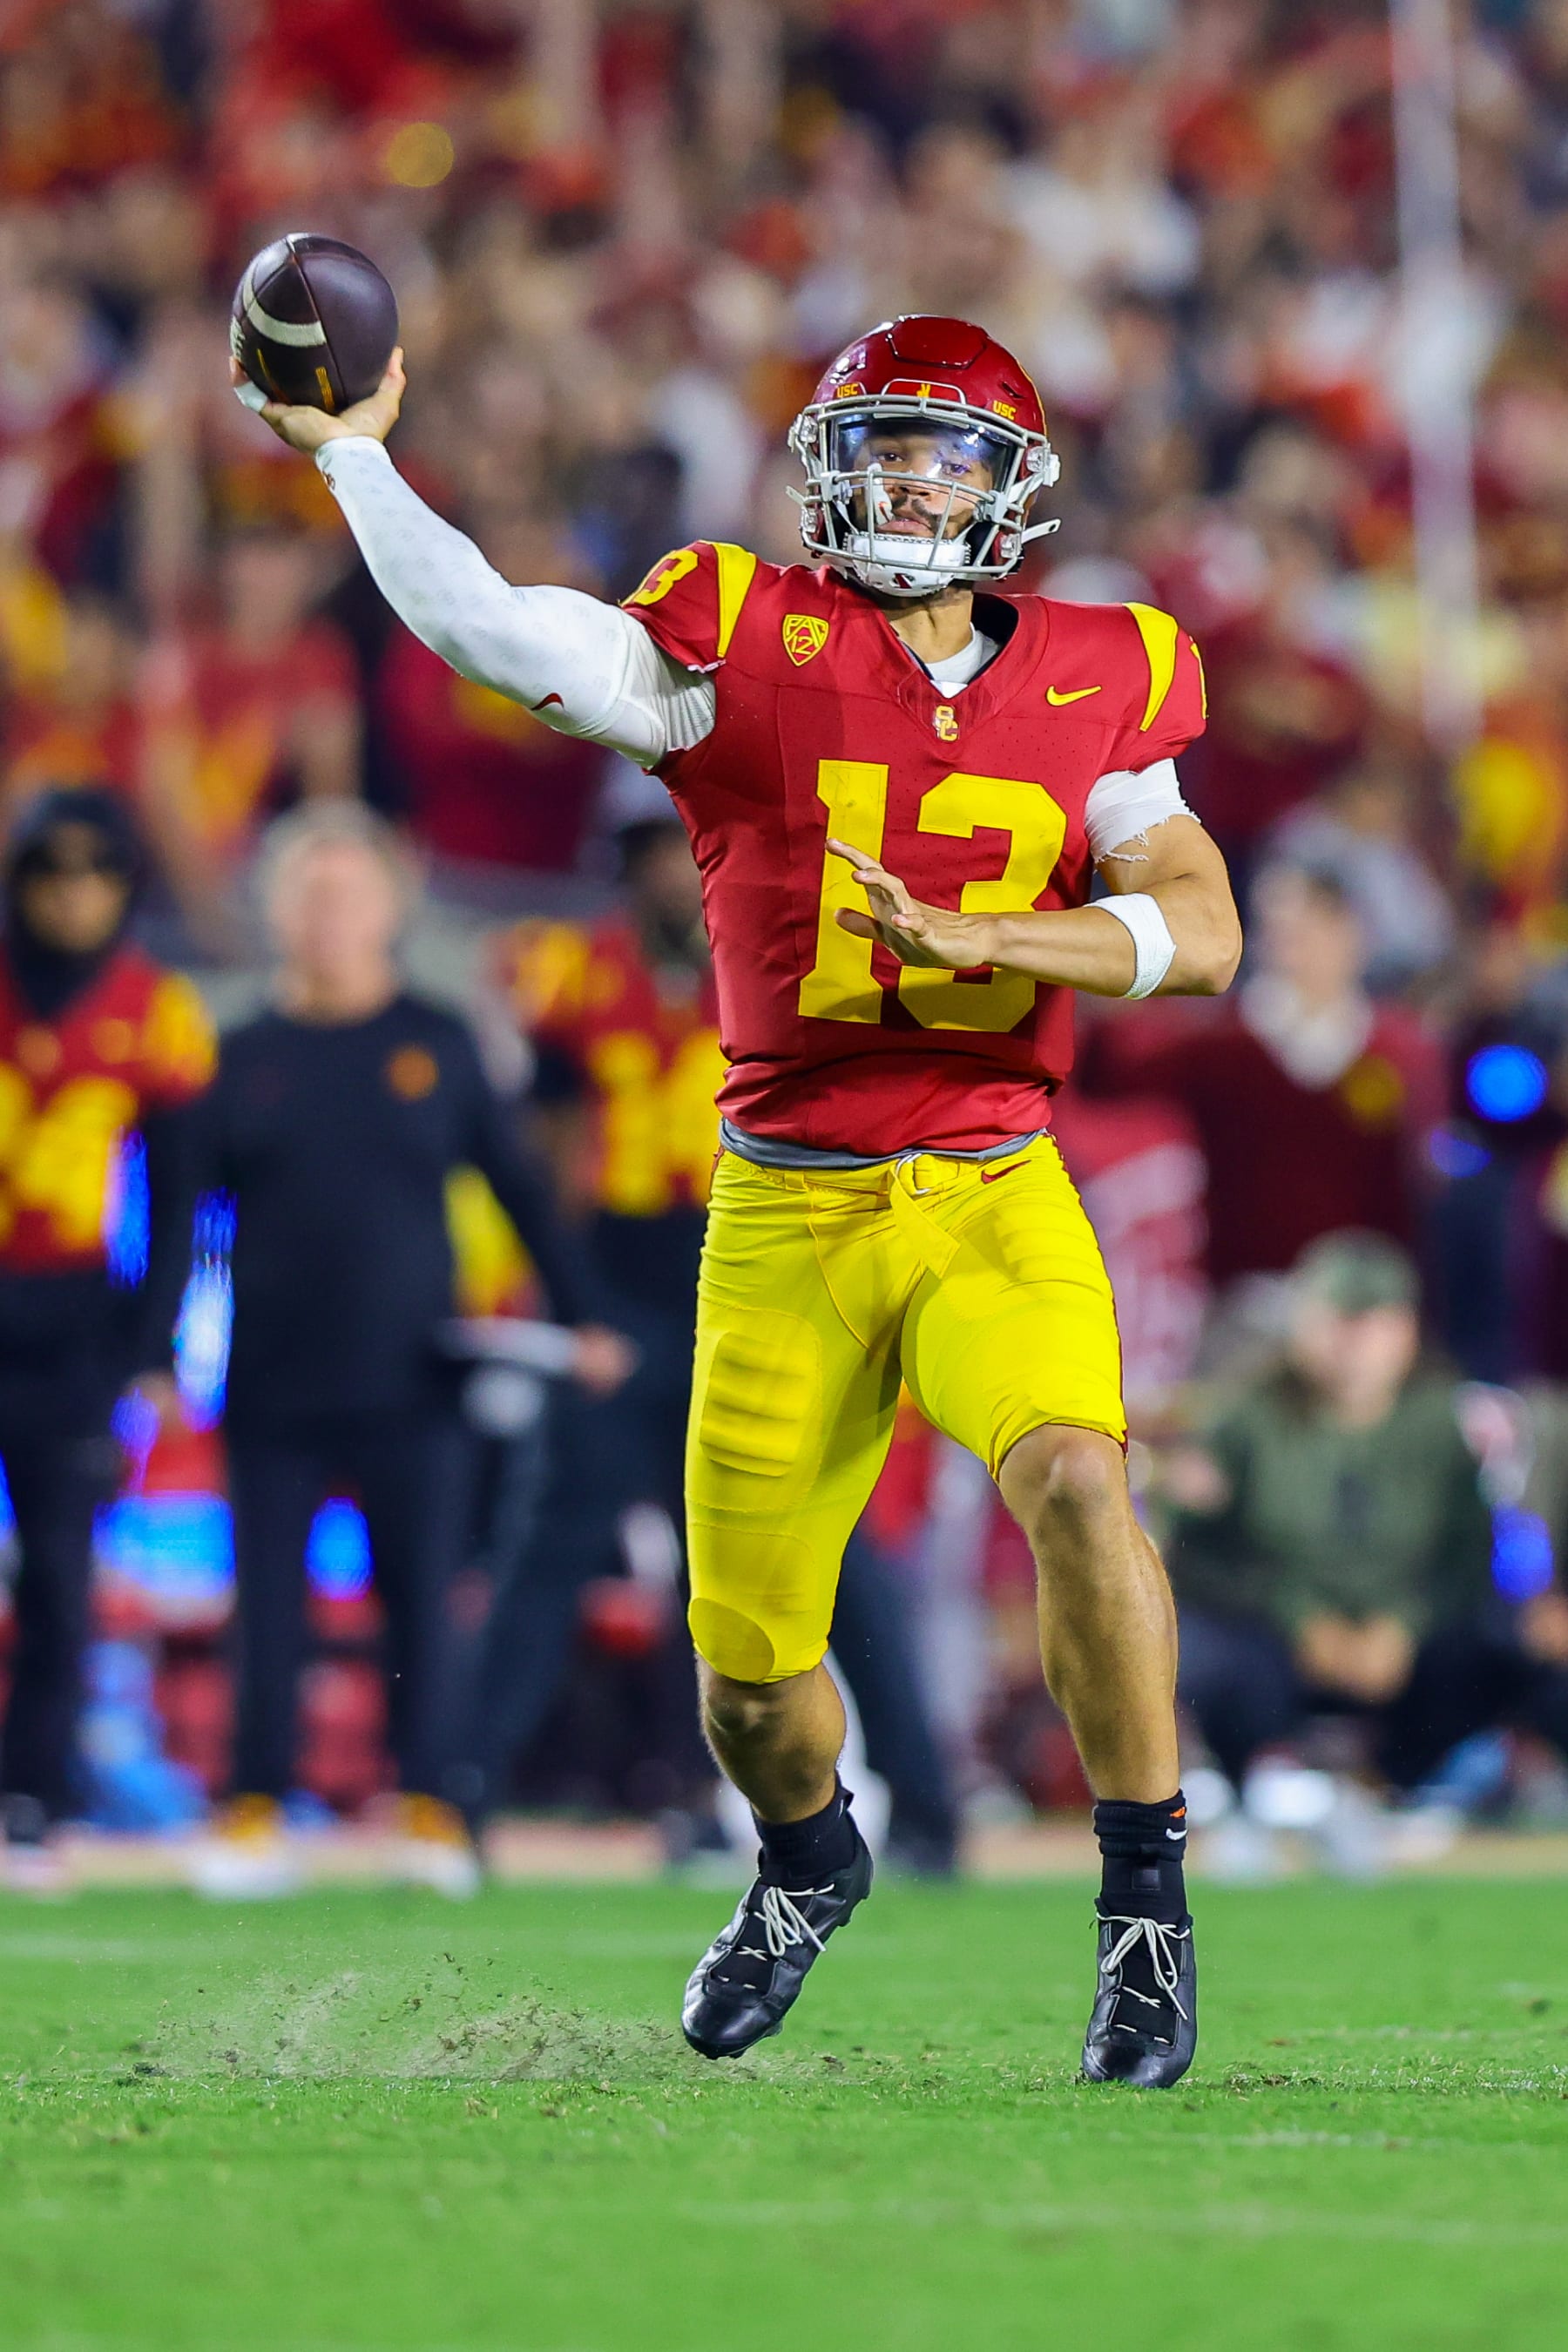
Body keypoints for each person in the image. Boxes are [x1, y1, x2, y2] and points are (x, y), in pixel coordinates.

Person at [241, 312, 1242, 2087]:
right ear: (823, 474)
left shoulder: (1107, 669)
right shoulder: (742, 638)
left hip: (994, 1178)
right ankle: (804, 1862)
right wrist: (352, 456)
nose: (905, 481)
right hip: (785, 1213)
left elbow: (1202, 927)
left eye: (940, 450)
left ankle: (1145, 1910)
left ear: (1012, 490)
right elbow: (497, 632)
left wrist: (1001, 937)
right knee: (752, 1684)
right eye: (876, 448)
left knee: (1083, 1479)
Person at [466, 782, 960, 1873]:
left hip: (769, 1293)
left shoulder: (804, 954)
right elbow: (544, 1156)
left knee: (834, 1557)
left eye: (688, 846)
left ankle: (929, 1807)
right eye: (655, 849)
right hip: (626, 1304)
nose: (674, 871)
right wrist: (566, 1309)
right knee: (551, 1550)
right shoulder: (576, 975)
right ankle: (458, 1803)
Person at [191, 801, 630, 1899]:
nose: (331, 913)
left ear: (393, 906)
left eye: (350, 891)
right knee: (269, 1609)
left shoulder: (436, 1041)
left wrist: (582, 1316)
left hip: (418, 1379)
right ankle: (253, 1809)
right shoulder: (238, 1055)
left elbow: (518, 1188)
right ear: (277, 909)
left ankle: (435, 1804)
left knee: (428, 1602)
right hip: (272, 1380)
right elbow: (179, 1231)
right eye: (311, 891)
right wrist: (148, 1350)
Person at [1165, 1233, 1568, 1835]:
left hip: (1407, 1653)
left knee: (1520, 1648)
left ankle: (1434, 1785)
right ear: (1302, 1324)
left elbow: (1468, 1552)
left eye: (1372, 1321)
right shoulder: (1243, 1419)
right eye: (1336, 1320)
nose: (1353, 1342)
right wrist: (1303, 1620)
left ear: (1406, 1330)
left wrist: (1404, 1624)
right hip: (1278, 1648)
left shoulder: (1440, 1423)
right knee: (1200, 1649)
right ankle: (1246, 1785)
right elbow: (1198, 1556)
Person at [0, 787, 213, 1890]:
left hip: (72, 1322)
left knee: (61, 1574)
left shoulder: (153, 1007)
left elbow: (177, 1201)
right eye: (51, 871)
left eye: (95, 873)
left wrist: (151, 1346)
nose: (72, 895)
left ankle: (31, 1791)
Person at [1085, 862, 1444, 1288]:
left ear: (1352, 933)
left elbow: (1418, 1184)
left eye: (1312, 929)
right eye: (1280, 932)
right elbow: (1110, 1075)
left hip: (1360, 1300)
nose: (1295, 948)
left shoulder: (1398, 1053)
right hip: (1245, 1296)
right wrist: (1108, 974)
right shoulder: (1222, 1045)